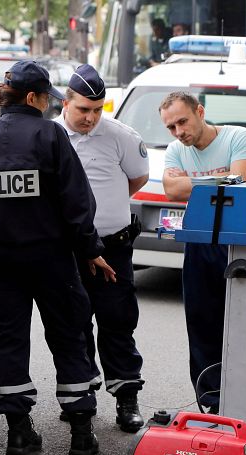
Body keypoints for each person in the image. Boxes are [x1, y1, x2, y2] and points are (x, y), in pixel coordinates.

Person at [0, 60, 116, 455]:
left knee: (11, 339)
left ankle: (19, 433)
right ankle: (80, 434)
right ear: (31, 97)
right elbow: (77, 203)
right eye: (46, 97)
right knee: (67, 335)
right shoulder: (51, 136)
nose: (48, 104)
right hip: (51, 258)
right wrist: (91, 250)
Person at [54, 64, 149, 433]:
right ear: (66, 102)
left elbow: (137, 177)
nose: (90, 118)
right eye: (83, 110)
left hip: (112, 246)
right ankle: (81, 396)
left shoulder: (120, 136)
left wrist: (107, 209)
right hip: (68, 249)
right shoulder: (50, 136)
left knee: (118, 321)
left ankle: (127, 398)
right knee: (72, 324)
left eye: (97, 110)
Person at [158, 91, 246, 412]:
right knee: (202, 322)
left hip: (237, 240)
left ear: (200, 111)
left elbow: (243, 178)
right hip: (199, 240)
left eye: (183, 122)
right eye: (171, 127)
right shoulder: (176, 150)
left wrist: (194, 181)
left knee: (245, 322)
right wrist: (221, 178)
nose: (178, 132)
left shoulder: (238, 137)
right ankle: (212, 403)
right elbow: (171, 189)